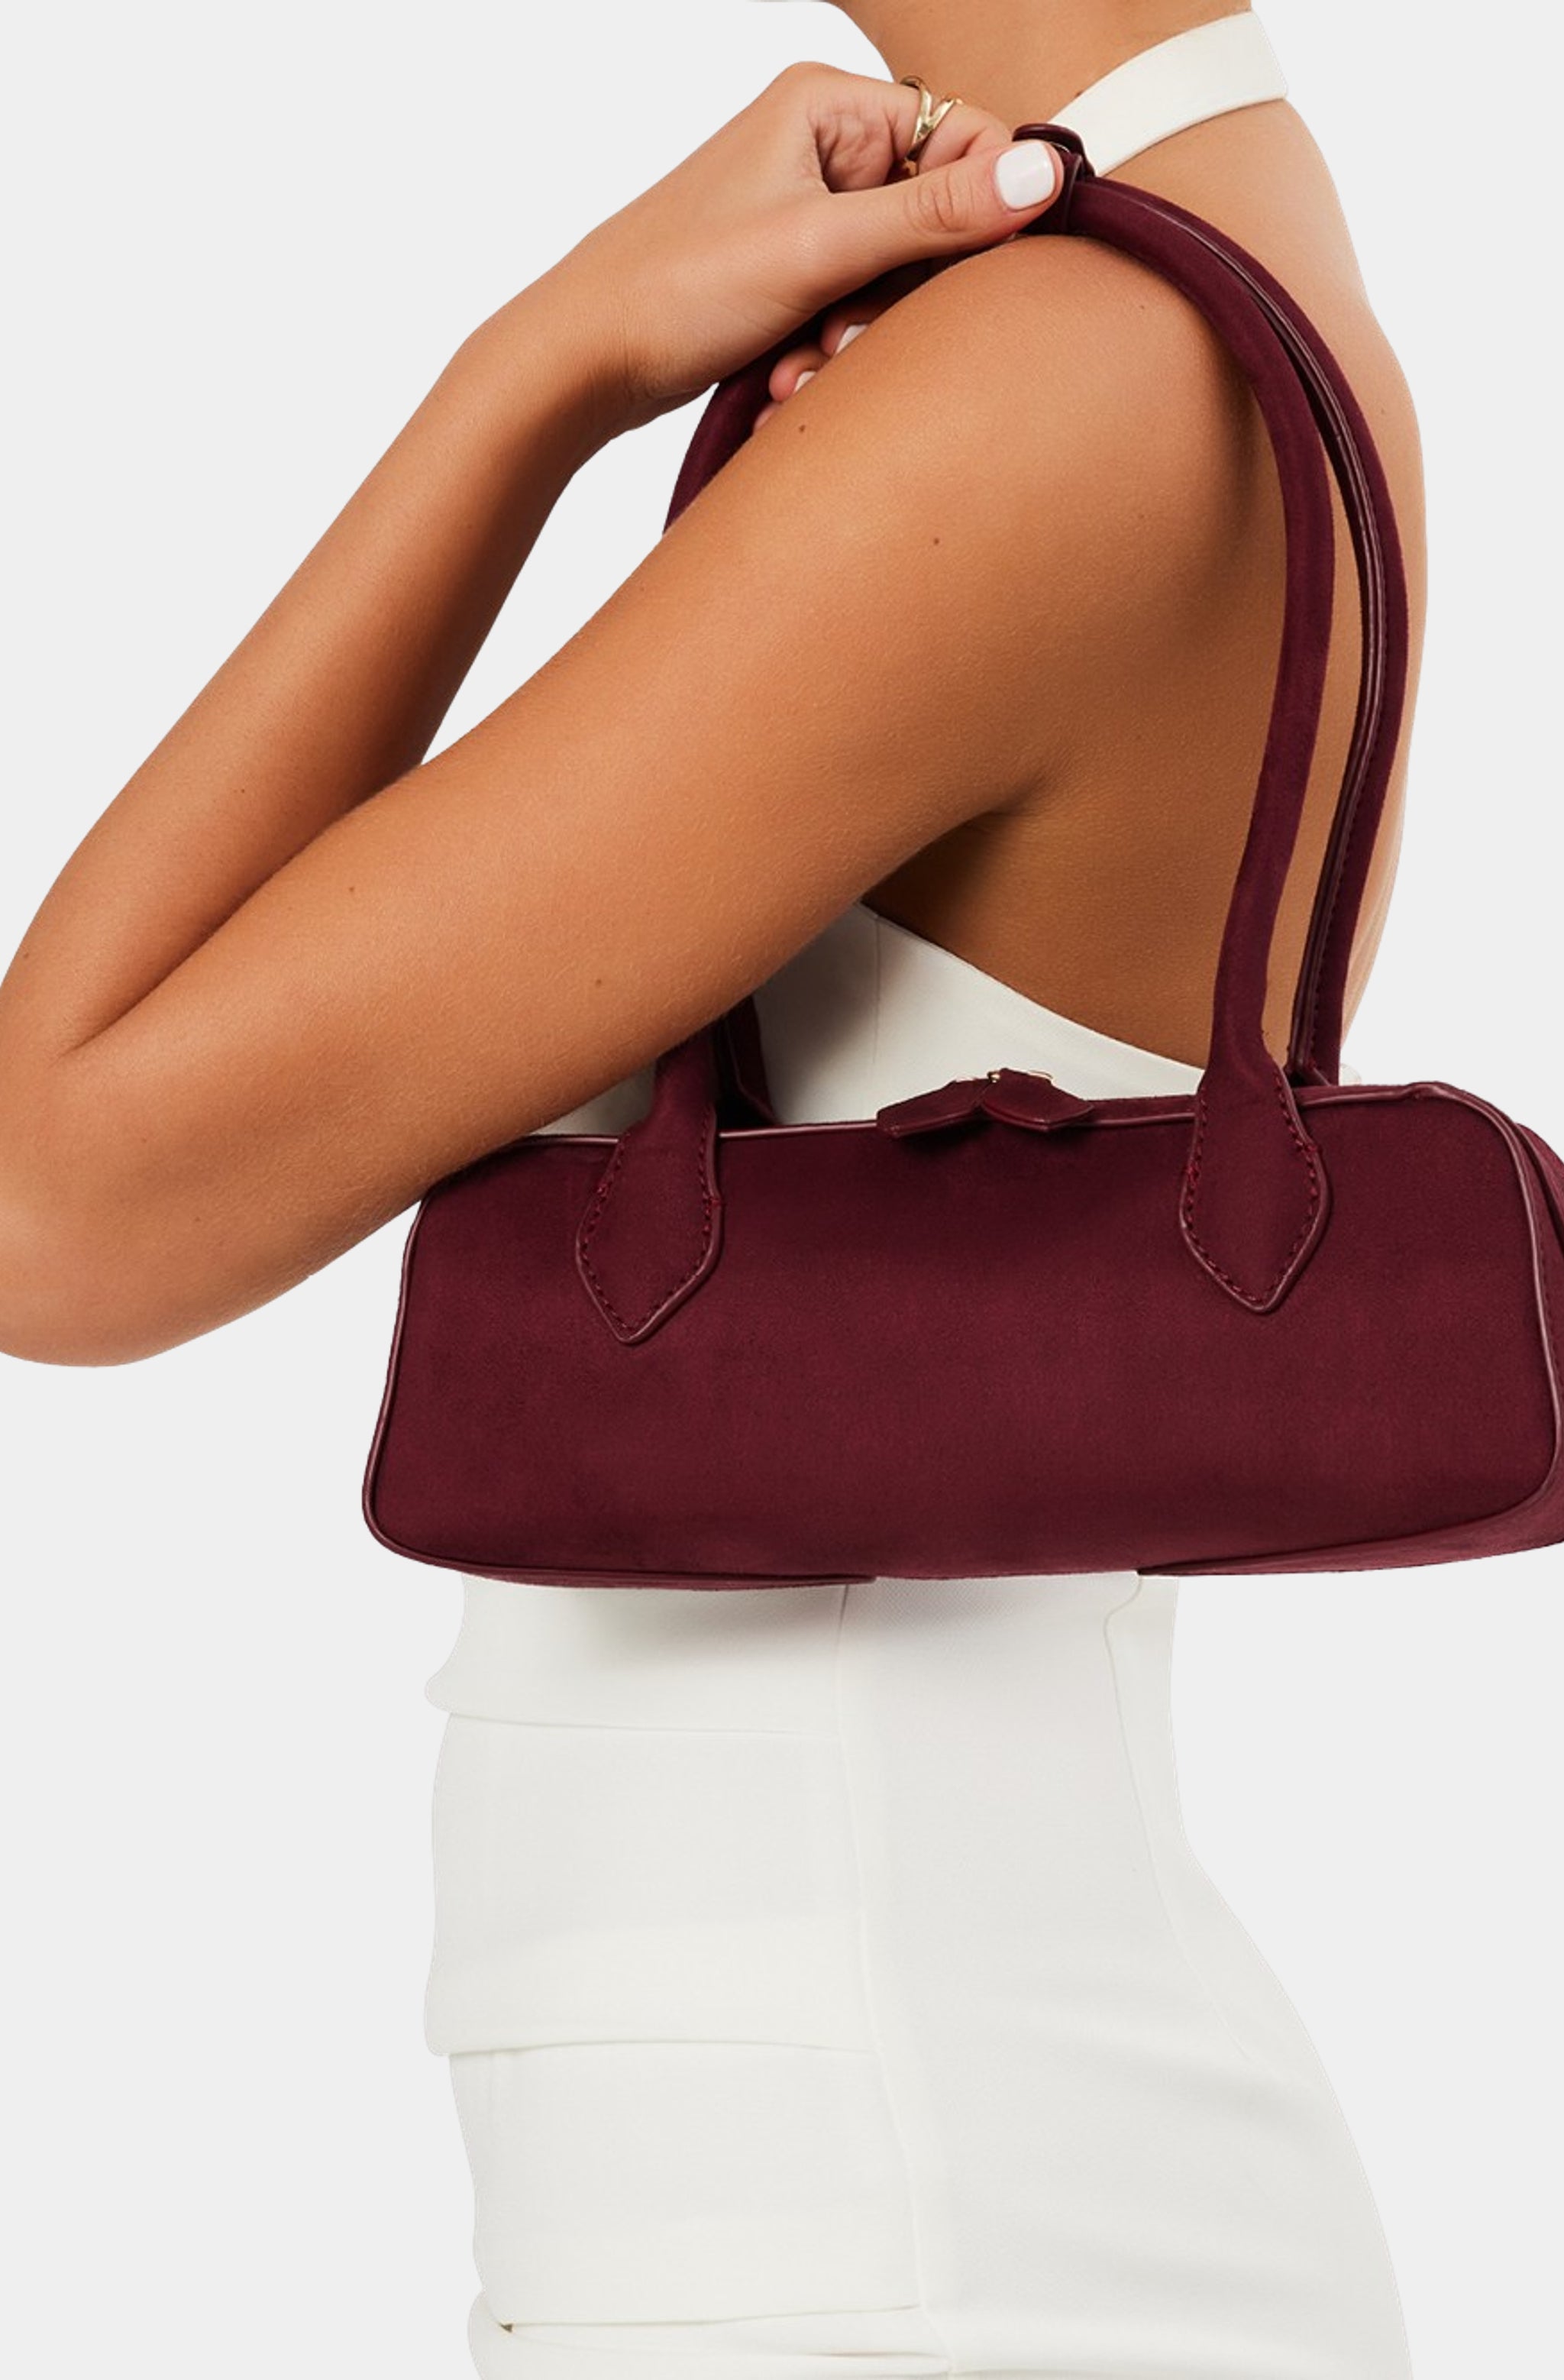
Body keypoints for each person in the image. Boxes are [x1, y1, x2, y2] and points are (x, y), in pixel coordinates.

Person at [0, 4, 1425, 2374]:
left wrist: (546, 363)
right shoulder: (1158, 270)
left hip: (887, 2225)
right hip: (855, 2183)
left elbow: (49, 1204)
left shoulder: (1063, 375)